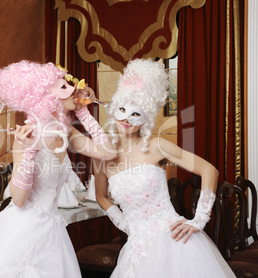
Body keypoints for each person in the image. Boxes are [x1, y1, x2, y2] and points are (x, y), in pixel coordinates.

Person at [0, 60, 116, 278]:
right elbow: (19, 199)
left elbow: (108, 153)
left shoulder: (65, 131)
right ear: (45, 97)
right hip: (20, 233)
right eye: (63, 87)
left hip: (53, 233)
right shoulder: (28, 134)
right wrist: (29, 152)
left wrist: (85, 114)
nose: (73, 90)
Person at [93, 59, 235, 277]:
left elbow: (210, 170)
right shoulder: (101, 157)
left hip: (174, 240)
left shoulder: (158, 146)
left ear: (146, 118)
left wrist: (199, 220)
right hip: (138, 247)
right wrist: (128, 226)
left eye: (136, 113)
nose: (127, 119)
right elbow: (102, 197)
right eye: (122, 109)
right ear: (114, 110)